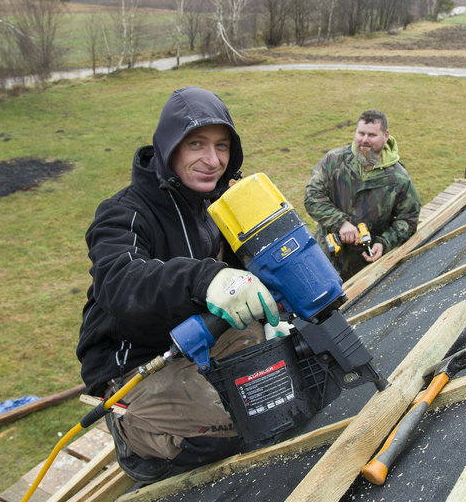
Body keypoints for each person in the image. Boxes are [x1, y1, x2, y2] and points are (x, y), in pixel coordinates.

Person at [76, 86, 281, 484]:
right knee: (227, 430)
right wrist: (205, 277)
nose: (212, 160)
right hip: (136, 360)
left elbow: (256, 265)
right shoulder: (123, 213)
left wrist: (281, 308)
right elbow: (120, 282)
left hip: (195, 337)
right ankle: (132, 432)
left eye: (222, 146)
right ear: (170, 148)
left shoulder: (211, 202)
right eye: (196, 145)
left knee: (273, 383)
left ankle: (197, 389)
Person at [304, 109, 421, 281]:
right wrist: (340, 223)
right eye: (361, 133)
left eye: (372, 135)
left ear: (385, 135)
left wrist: (384, 243)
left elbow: (409, 219)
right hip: (325, 256)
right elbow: (312, 196)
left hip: (365, 267)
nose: (365, 140)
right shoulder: (334, 161)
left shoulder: (398, 179)